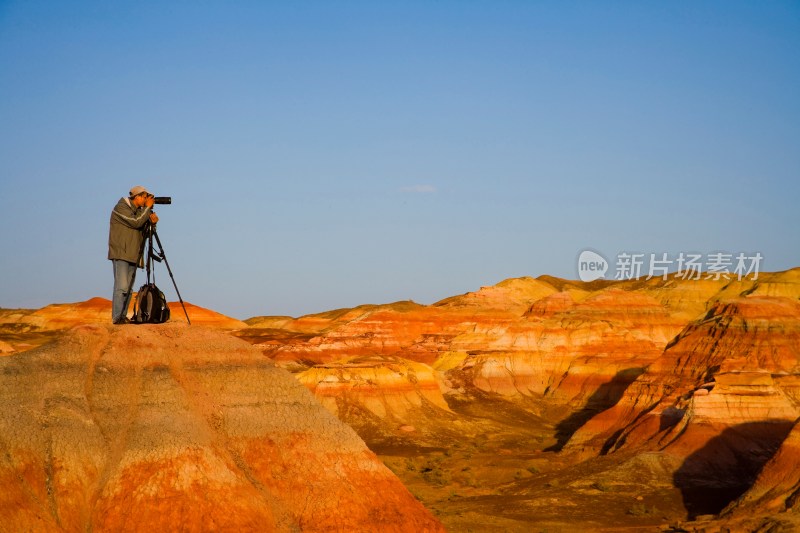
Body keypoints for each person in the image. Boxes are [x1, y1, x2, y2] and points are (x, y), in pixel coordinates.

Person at [108, 186, 159, 324]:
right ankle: (117, 317)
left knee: (129, 289)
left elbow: (143, 233)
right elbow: (135, 222)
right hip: (121, 252)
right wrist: (147, 209)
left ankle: (123, 316)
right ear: (136, 196)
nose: (146, 201)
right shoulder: (121, 208)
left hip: (133, 253)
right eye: (144, 197)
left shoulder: (138, 212)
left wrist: (152, 224)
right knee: (121, 287)